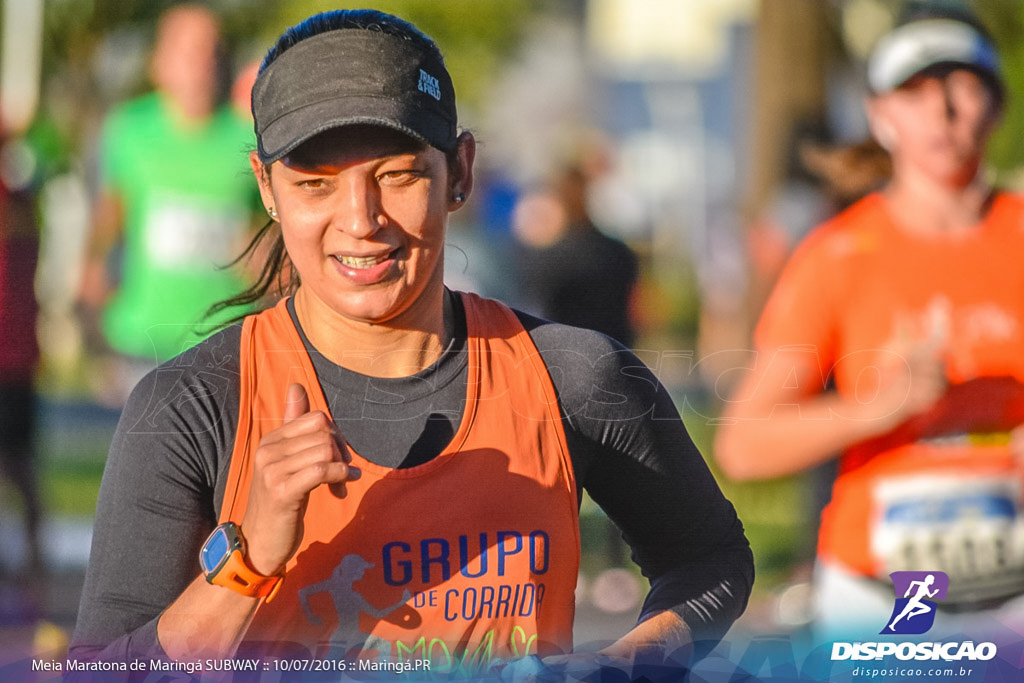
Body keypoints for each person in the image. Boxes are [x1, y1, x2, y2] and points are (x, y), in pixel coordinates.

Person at [68, 8, 752, 678]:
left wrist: (618, 667)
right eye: (314, 183)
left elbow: (710, 559)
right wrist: (245, 564)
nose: (361, 220)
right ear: (266, 188)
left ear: (460, 171)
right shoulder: (191, 404)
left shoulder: (571, 374)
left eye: (398, 174)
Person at [715, 6, 1024, 639]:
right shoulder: (838, 256)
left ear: (997, 105)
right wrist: (878, 407)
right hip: (884, 599)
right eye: (915, 91)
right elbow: (743, 443)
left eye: (963, 86)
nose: (942, 113)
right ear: (880, 116)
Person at [77, 4, 258, 403]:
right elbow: (110, 210)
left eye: (212, 50)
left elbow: (264, 228)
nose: (202, 63)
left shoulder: (247, 137)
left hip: (224, 335)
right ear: (160, 62)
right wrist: (91, 271)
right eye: (189, 51)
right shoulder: (129, 130)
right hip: (144, 333)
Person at [514, 165, 638, 348]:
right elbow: (633, 310)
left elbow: (537, 312)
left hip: (566, 356)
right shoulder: (618, 252)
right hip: (616, 350)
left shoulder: (550, 258)